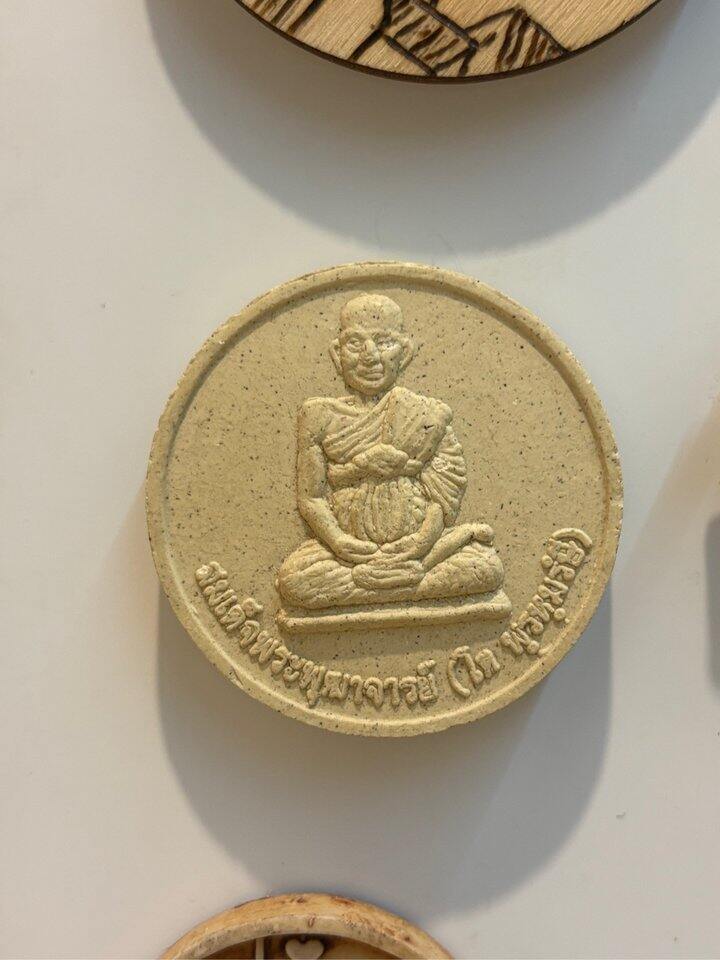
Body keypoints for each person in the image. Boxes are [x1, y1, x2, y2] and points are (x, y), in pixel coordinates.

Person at [276, 294, 507, 616]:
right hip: (347, 553)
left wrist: (422, 543)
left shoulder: (429, 414)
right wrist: (339, 543)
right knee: (294, 580)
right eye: (355, 343)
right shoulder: (317, 415)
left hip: (420, 547)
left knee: (485, 568)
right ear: (337, 354)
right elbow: (311, 497)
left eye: (384, 342)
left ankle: (390, 580)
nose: (370, 356)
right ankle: (406, 582)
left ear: (405, 352)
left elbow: (444, 494)